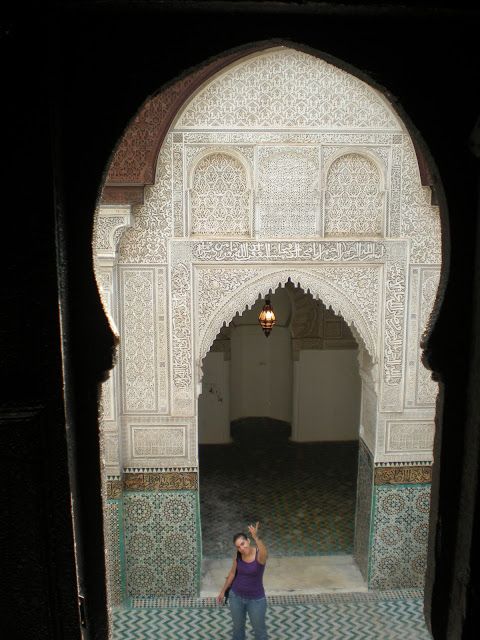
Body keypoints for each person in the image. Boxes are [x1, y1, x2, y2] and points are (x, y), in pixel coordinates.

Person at [216, 521, 268, 640]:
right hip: (236, 597)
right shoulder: (238, 555)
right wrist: (223, 591)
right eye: (238, 546)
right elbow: (233, 573)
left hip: (256, 600)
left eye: (243, 543)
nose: (241, 548)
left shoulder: (259, 556)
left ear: (248, 541)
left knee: (260, 632)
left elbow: (265, 552)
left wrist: (256, 537)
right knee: (238, 630)